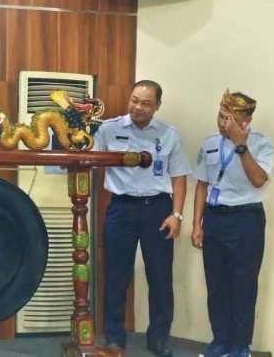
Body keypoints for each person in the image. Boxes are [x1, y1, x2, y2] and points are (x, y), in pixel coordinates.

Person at [93, 80, 191, 357]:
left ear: (157, 106)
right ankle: (115, 339)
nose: (138, 107)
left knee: (160, 277)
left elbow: (179, 177)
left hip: (158, 210)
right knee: (116, 276)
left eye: (146, 103)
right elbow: (89, 159)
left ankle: (158, 339)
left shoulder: (169, 135)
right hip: (121, 208)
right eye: (134, 100)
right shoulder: (108, 129)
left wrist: (176, 215)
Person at [191, 90, 274, 357]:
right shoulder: (209, 143)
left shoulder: (261, 144)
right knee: (216, 284)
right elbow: (202, 186)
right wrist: (196, 224)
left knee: (243, 284)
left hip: (246, 220)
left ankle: (240, 346)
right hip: (214, 218)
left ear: (246, 121)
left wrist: (241, 146)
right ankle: (220, 342)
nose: (223, 123)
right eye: (221, 116)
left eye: (231, 119)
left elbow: (258, 180)